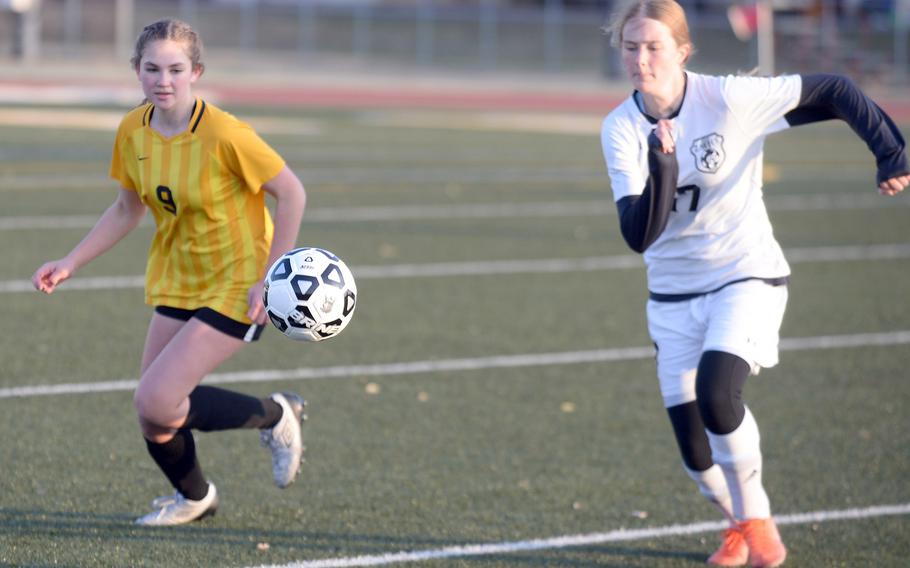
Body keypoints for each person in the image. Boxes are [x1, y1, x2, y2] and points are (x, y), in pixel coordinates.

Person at [599, 1, 908, 566]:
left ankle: (757, 519)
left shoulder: (727, 98)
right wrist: (662, 164)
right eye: (630, 47)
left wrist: (890, 152)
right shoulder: (619, 128)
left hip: (745, 273)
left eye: (654, 47)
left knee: (720, 396)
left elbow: (835, 90)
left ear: (682, 52)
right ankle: (739, 525)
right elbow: (638, 234)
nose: (641, 60)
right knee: (697, 456)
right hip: (670, 298)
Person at [31, 19, 309, 526]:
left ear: (196, 72)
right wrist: (71, 260)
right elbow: (125, 209)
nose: (164, 80)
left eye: (176, 69)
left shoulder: (226, 133)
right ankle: (195, 497)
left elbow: (292, 192)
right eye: (152, 68)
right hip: (177, 277)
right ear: (137, 71)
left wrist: (271, 277)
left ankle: (276, 415)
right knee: (154, 417)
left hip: (238, 280)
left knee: (157, 399)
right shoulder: (133, 129)